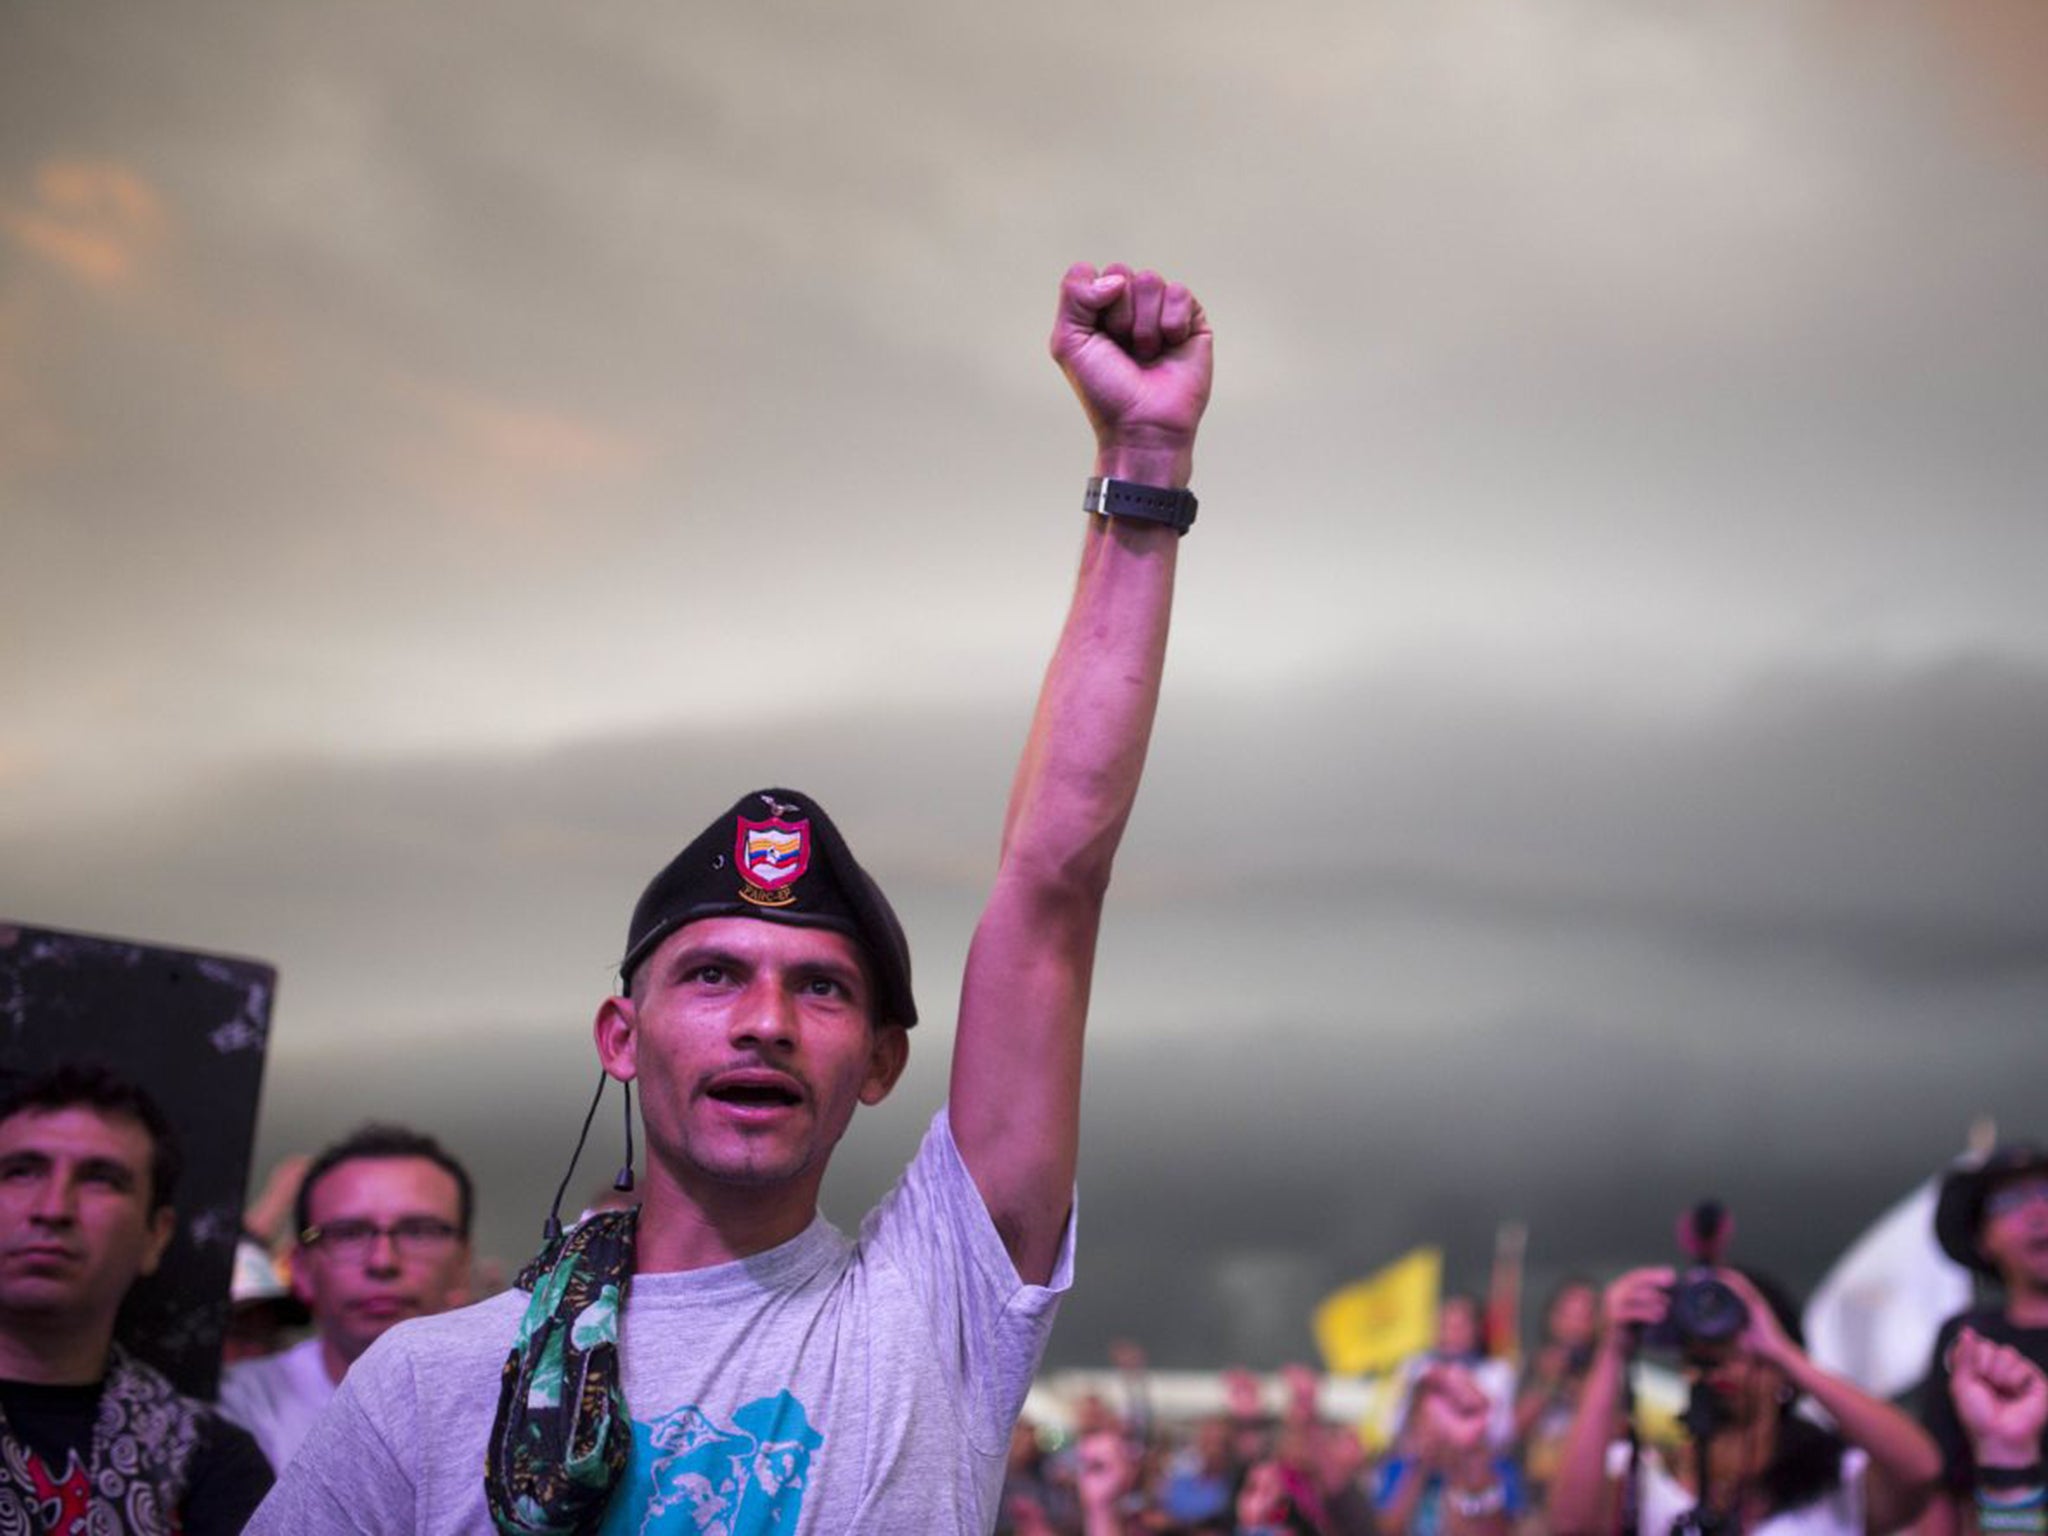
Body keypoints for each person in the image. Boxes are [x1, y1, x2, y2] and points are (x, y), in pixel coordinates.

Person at [248, 259, 1214, 1535]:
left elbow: (1051, 885)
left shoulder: (933, 1316)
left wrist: (1142, 461)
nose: (764, 1019)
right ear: (619, 1031)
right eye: (712, 975)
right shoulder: (426, 1389)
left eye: (820, 988)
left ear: (878, 1061)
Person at [0, 1063, 274, 1531]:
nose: (53, 1209)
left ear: (156, 1235)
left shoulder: (208, 1461)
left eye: (100, 1179)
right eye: (22, 1172)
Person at [1549, 1267, 1940, 1536]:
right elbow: (1570, 1526)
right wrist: (1612, 1351)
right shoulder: (1643, 1477)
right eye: (1706, 1351)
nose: (1722, 1366)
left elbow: (1920, 1470)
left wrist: (1782, 1353)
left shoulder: (1839, 1481)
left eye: (1740, 1350)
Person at [219, 1124, 474, 1473]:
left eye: (418, 1231)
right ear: (302, 1271)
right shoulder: (232, 1410)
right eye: (348, 1234)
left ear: (462, 1264)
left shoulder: (525, 1416)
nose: (382, 1262)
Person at [1918, 1145, 2048, 1536]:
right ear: (1983, 1241)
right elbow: (1941, 1490)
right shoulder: (1971, 1344)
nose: (2040, 1213)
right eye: (2011, 1203)